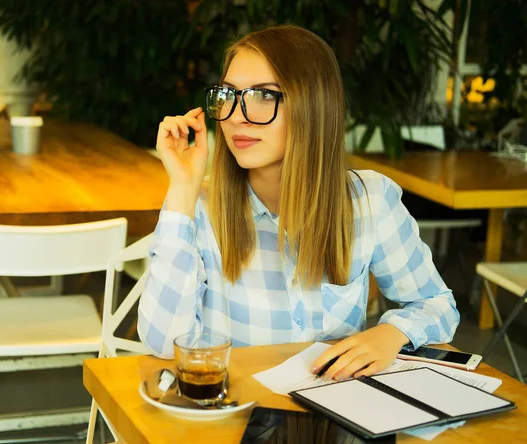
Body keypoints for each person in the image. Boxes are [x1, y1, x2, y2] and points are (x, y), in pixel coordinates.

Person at [137, 24, 459, 381]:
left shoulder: (370, 200)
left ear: (313, 105)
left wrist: (391, 333)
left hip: (334, 416)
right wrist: (183, 186)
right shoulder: (199, 204)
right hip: (234, 412)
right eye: (229, 95)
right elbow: (163, 342)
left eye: (264, 95)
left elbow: (437, 304)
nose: (238, 115)